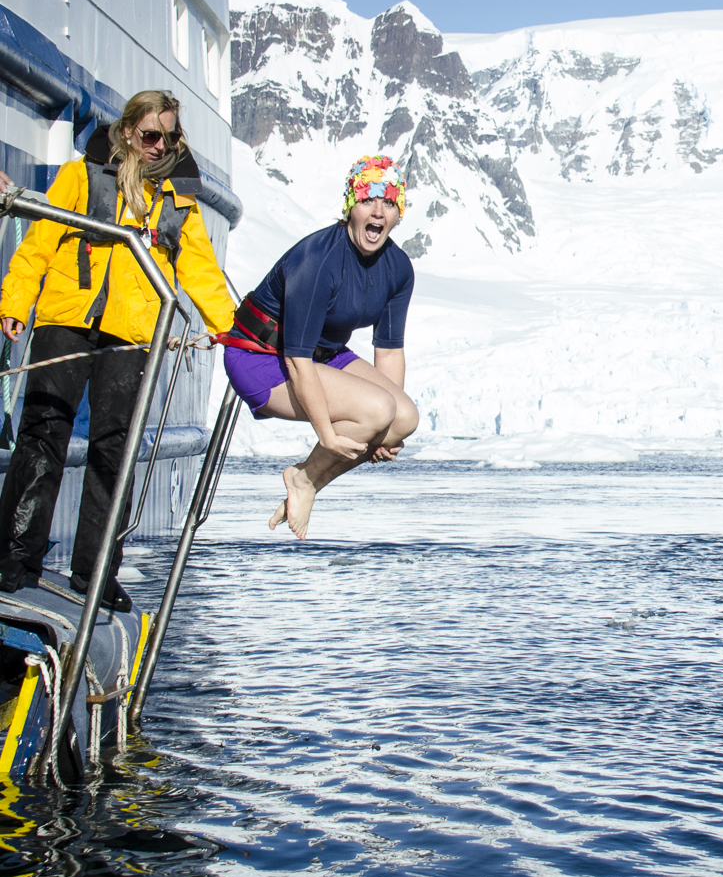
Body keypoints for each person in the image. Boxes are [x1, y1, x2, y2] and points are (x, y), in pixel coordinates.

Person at [0, 91, 235, 611]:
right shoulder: (80, 179)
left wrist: (231, 330)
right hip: (68, 318)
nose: (159, 146)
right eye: (151, 135)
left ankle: (96, 571)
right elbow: (39, 241)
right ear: (128, 132)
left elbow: (201, 274)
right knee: (44, 433)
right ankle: (14, 558)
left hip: (130, 333)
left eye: (169, 137)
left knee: (116, 448)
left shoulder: (178, 204)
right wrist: (16, 299)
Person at [218, 155, 418, 541]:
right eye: (367, 200)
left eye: (389, 203)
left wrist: (384, 433)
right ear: (350, 207)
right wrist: (326, 433)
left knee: (403, 418)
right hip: (262, 356)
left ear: (399, 213)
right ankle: (304, 481)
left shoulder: (398, 268)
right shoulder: (318, 259)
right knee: (377, 411)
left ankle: (305, 481)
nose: (378, 211)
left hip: (322, 354)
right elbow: (296, 358)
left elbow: (390, 352)